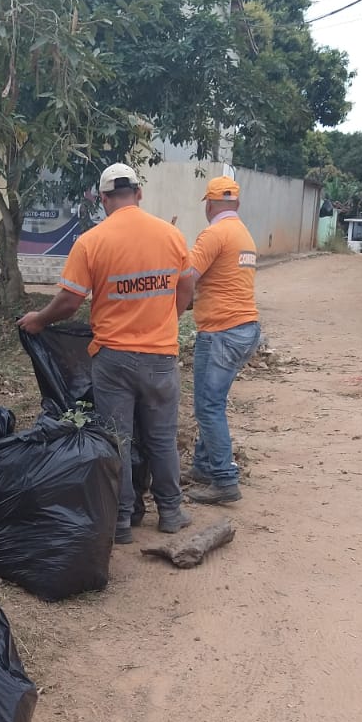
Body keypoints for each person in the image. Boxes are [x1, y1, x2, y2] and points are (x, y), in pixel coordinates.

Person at [20, 163, 194, 543]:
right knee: (162, 439)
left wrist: (39, 319)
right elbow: (187, 287)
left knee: (119, 440)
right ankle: (170, 512)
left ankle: (120, 523)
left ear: (102, 199)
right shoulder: (171, 236)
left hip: (114, 359)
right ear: (139, 193)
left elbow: (68, 302)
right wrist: (167, 320)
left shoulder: (92, 241)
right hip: (162, 358)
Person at [183, 175, 260, 505]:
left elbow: (188, 276)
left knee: (207, 405)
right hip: (245, 328)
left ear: (210, 205)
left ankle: (225, 481)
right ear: (237, 205)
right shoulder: (244, 235)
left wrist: (172, 308)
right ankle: (204, 466)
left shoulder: (214, 234)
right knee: (211, 402)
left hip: (221, 332)